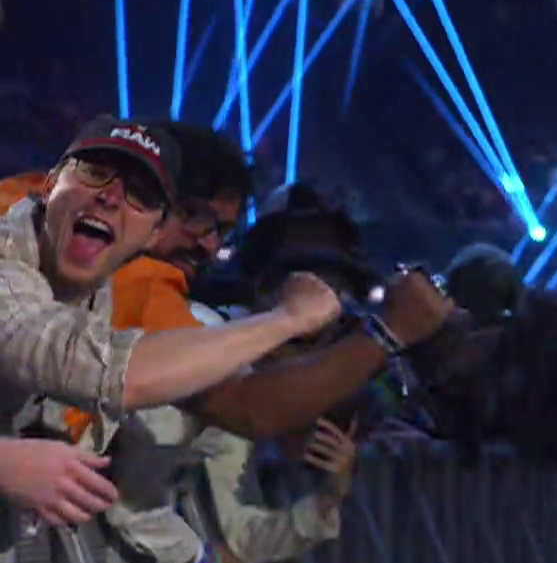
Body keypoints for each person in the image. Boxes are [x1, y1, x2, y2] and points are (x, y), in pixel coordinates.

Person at [0, 117, 342, 450]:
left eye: (140, 194)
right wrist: (293, 318)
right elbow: (246, 405)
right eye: (95, 174)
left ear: (155, 229)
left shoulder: (104, 278)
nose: (208, 244)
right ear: (49, 187)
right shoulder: (137, 278)